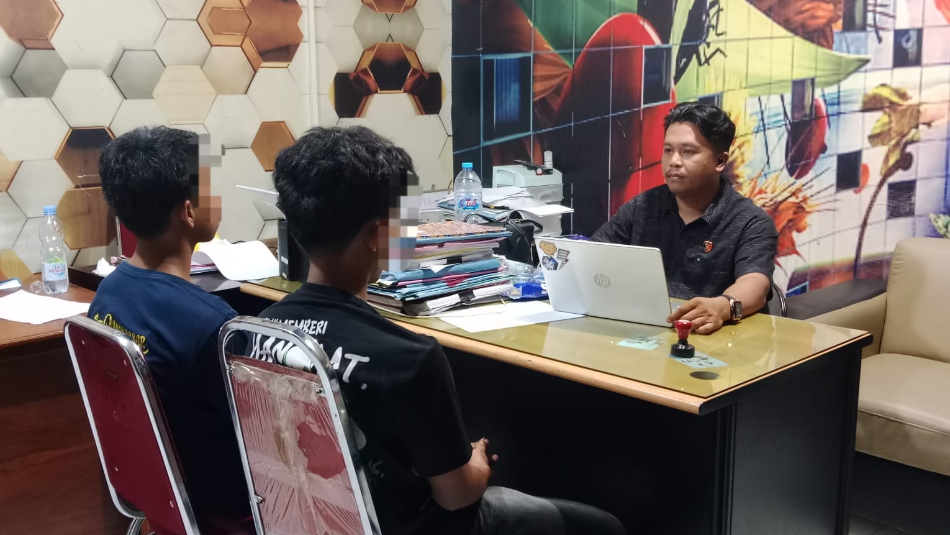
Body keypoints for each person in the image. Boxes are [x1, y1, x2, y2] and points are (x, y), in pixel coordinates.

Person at [252, 126, 626, 535]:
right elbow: (456, 496)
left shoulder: (257, 331)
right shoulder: (408, 357)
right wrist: (476, 464)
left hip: (307, 517)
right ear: (377, 235)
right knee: (604, 526)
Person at [89, 127, 251, 525]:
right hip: (225, 508)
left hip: (158, 494)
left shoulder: (107, 293)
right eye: (212, 189)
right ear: (189, 211)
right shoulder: (213, 324)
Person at [592, 102, 778, 334]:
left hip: (712, 339)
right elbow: (593, 255)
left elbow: (755, 283)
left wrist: (723, 307)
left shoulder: (750, 221)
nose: (674, 161)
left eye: (688, 152)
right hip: (645, 332)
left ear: (720, 161)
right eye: (668, 150)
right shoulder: (643, 207)